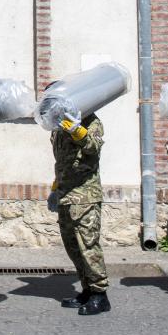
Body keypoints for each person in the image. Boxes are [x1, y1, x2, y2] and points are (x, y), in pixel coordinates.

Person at [47, 102, 109, 315]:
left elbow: (93, 148)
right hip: (66, 193)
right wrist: (55, 187)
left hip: (85, 195)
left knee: (88, 245)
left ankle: (100, 295)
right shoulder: (57, 127)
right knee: (72, 246)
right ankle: (87, 289)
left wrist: (77, 130)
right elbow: (62, 161)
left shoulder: (90, 121)